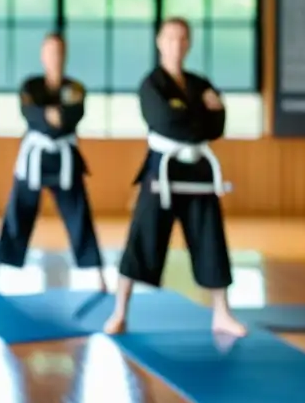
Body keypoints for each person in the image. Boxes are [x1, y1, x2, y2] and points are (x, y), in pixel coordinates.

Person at [104, 17, 246, 337]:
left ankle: (221, 313)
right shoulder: (151, 84)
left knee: (211, 236)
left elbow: (217, 125)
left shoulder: (198, 82)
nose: (177, 45)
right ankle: (120, 311)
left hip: (197, 169)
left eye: (183, 39)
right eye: (170, 38)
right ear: (159, 41)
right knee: (143, 234)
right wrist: (202, 112)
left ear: (189, 43)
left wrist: (194, 115)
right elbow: (166, 121)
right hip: (162, 169)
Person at [0, 32, 106, 293]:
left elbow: (72, 116)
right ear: (43, 55)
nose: (55, 57)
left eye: (60, 52)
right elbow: (31, 115)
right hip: (35, 158)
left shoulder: (75, 88)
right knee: (18, 213)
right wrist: (48, 115)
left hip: (64, 158)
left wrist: (51, 115)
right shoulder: (31, 85)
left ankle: (99, 276)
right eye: (50, 52)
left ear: (65, 55)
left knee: (79, 215)